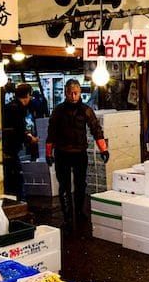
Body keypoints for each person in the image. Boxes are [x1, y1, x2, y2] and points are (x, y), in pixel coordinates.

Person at [46, 79, 109, 229]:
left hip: (80, 153)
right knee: (64, 186)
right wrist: (49, 153)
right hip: (62, 153)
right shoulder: (58, 111)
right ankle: (67, 217)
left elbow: (96, 129)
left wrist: (104, 149)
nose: (73, 96)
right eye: (70, 93)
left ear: (80, 92)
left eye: (76, 92)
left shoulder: (86, 110)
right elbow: (51, 133)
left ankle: (79, 212)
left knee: (81, 185)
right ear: (66, 93)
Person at [2, 83, 38, 201]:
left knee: (11, 179)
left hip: (5, 149)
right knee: (16, 180)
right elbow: (18, 130)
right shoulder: (18, 109)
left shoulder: (8, 106)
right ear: (27, 95)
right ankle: (17, 203)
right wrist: (30, 138)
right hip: (10, 150)